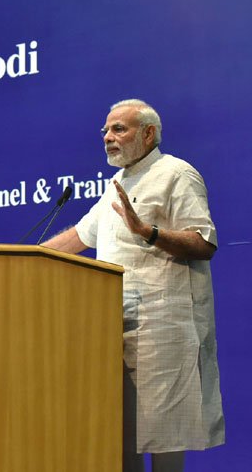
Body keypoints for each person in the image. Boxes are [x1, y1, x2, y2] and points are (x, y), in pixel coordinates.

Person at [43, 99, 224, 472]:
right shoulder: (117, 185)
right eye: (105, 132)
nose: (108, 138)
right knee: (118, 434)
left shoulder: (177, 173)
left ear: (148, 133)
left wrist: (148, 232)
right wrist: (14, 258)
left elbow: (203, 243)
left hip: (164, 328)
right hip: (111, 328)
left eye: (118, 130)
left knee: (165, 435)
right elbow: (78, 236)